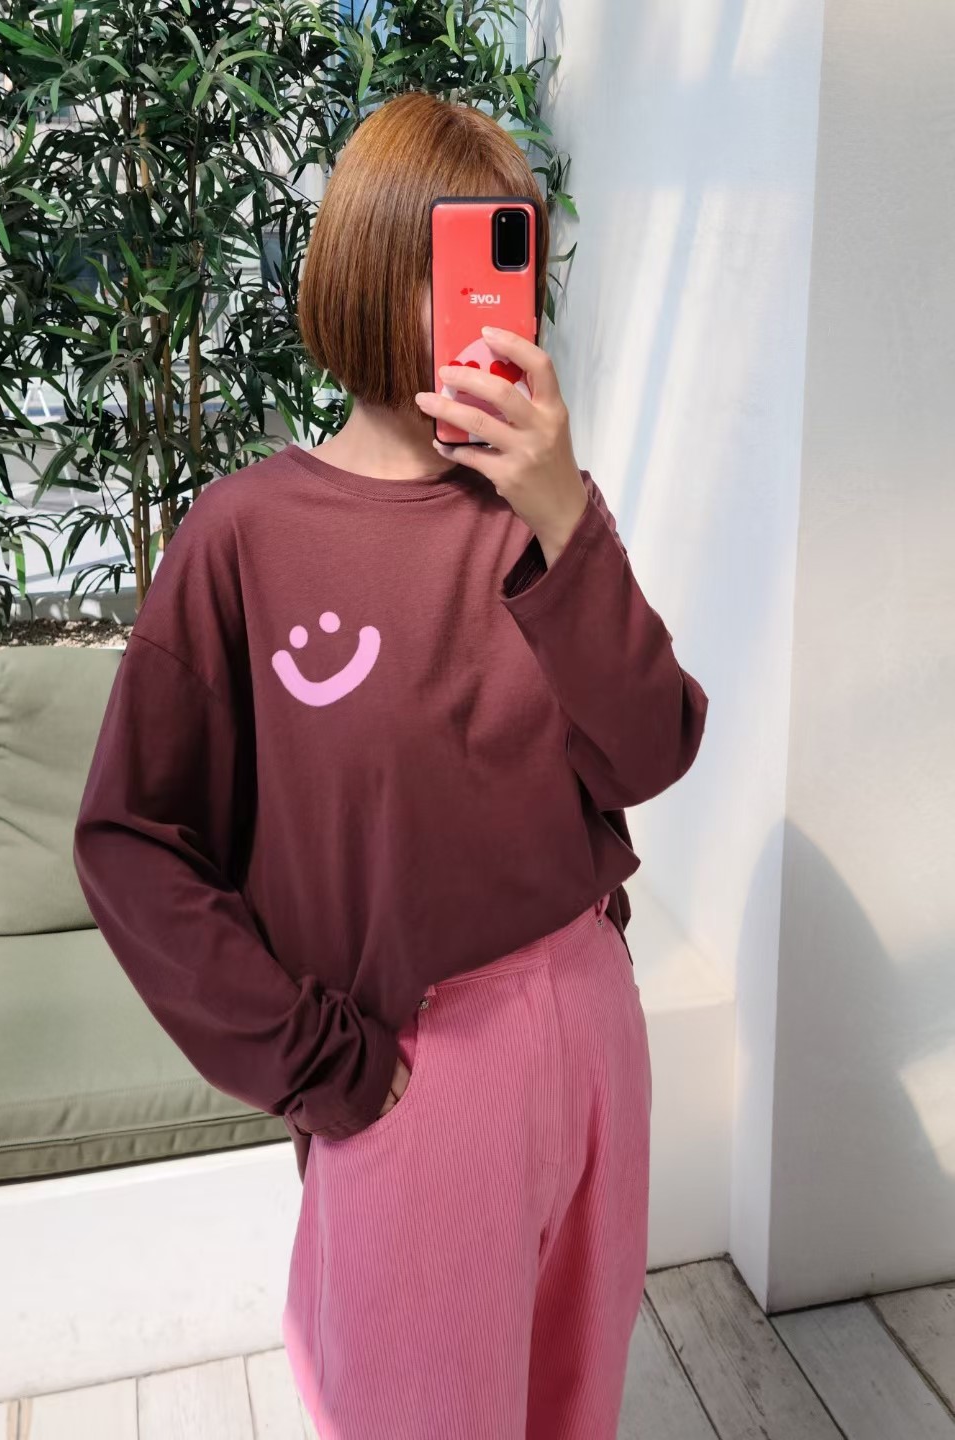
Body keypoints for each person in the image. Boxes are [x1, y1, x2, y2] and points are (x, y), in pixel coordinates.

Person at [73, 89, 708, 1440]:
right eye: (469, 260)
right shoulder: (246, 535)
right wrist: (324, 1064)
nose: (500, 306)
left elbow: (653, 748)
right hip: (415, 1068)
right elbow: (132, 841)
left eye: (515, 262)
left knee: (573, 1411)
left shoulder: (539, 513)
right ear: (371, 268)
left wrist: (566, 516)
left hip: (594, 1024)